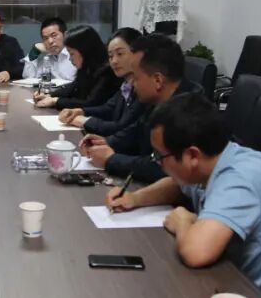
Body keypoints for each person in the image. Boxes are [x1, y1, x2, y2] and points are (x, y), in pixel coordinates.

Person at [105, 93, 261, 298]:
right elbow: (177, 185)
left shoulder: (239, 179)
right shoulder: (215, 161)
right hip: (241, 289)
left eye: (160, 157)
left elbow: (195, 252)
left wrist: (183, 222)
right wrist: (134, 198)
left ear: (192, 155)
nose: (159, 164)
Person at [79, 34, 200, 183]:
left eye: (135, 78)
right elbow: (137, 131)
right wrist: (106, 142)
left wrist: (111, 160)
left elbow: (163, 168)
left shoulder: (189, 113)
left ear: (157, 80)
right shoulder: (159, 100)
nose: (132, 84)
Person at [59, 28, 143, 136]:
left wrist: (84, 121)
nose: (114, 61)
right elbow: (108, 108)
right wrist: (81, 111)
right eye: (111, 56)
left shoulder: (144, 88)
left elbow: (121, 128)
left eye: (120, 54)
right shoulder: (127, 84)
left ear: (139, 54)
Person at [33, 25, 118, 110]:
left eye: (72, 54)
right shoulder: (87, 68)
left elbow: (91, 103)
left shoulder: (108, 71)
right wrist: (49, 95)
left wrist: (56, 101)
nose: (70, 58)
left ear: (85, 51)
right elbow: (73, 87)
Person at [21, 16, 77, 81]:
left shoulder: (76, 55)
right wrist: (34, 52)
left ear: (65, 35)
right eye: (46, 38)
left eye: (54, 36)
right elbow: (28, 78)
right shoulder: (47, 59)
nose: (50, 41)